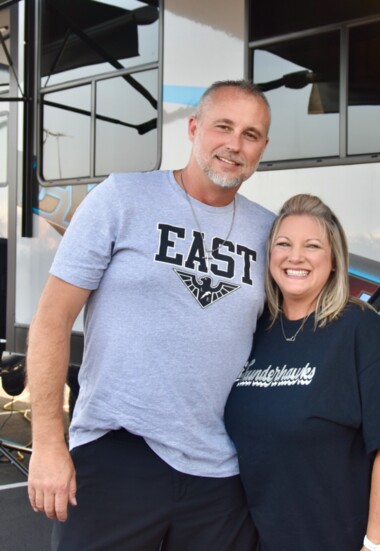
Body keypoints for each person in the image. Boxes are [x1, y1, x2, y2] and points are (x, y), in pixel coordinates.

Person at [26, 80, 273, 551]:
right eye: (223, 127)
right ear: (195, 128)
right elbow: (52, 318)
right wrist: (49, 442)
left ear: (262, 147)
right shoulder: (123, 198)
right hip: (117, 453)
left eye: (250, 134)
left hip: (219, 471)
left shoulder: (268, 231)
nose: (234, 145)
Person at [225, 194, 380, 551]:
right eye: (283, 244)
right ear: (269, 257)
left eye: (312, 246)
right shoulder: (254, 330)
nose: (295, 256)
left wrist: (375, 546)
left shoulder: (358, 328)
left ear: (332, 261)